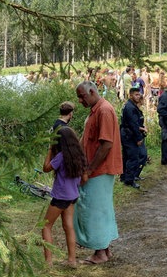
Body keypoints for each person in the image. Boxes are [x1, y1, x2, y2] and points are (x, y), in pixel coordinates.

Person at [74, 81, 123, 264]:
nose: (79, 100)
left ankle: (100, 253)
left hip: (100, 170)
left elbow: (106, 144)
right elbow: (87, 139)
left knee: (93, 210)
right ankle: (105, 250)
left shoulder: (104, 110)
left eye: (82, 96)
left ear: (92, 92)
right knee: (100, 209)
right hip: (97, 169)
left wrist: (90, 168)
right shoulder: (96, 110)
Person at [41, 127, 86, 267]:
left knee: (46, 226)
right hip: (73, 196)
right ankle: (72, 260)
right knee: (68, 227)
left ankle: (48, 262)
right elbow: (85, 178)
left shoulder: (61, 156)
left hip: (61, 197)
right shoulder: (79, 155)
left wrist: (50, 149)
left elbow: (46, 168)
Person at [120, 88, 148, 189]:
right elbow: (133, 124)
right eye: (136, 95)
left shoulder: (130, 106)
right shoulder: (130, 107)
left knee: (127, 156)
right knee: (132, 157)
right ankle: (129, 180)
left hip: (127, 133)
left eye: (139, 95)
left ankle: (124, 177)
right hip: (129, 135)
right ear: (131, 95)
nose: (138, 96)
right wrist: (138, 138)